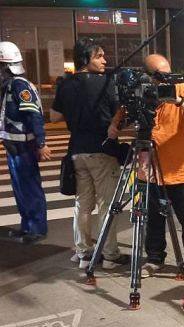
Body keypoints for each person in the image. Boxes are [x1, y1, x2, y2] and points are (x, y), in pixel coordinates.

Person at [50, 38, 128, 270]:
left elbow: (54, 116)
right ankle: (110, 254)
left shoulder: (65, 83)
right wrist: (112, 123)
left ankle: (83, 253)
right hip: (101, 150)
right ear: (85, 59)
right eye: (99, 56)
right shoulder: (105, 83)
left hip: (76, 151)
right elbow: (120, 112)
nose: (105, 60)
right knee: (106, 204)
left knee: (82, 204)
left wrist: (76, 113)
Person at [141, 53, 184, 278]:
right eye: (161, 77)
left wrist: (178, 101)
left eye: (169, 75)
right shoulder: (144, 92)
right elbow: (121, 118)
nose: (167, 82)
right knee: (153, 219)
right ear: (150, 78)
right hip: (151, 172)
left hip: (182, 170)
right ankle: (154, 258)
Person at [0, 41, 51, 244]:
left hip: (24, 146)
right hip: (13, 145)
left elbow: (34, 115)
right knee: (20, 188)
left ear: (5, 65)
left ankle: (37, 228)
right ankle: (26, 226)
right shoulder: (10, 86)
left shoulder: (20, 86)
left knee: (29, 187)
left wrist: (41, 143)